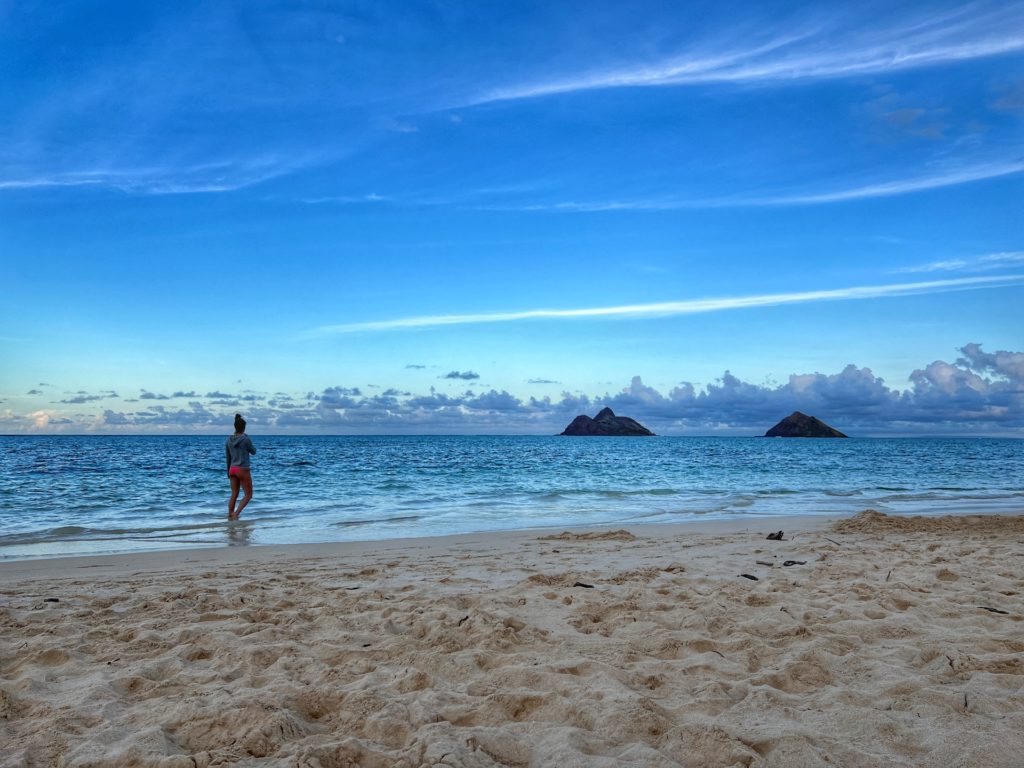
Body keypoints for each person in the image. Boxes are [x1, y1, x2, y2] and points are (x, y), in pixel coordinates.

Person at [226, 413, 256, 520]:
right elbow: (254, 451)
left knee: (234, 494)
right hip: (242, 469)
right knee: (248, 495)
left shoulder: (229, 440)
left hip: (232, 469)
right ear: (244, 428)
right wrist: (247, 438)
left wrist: (228, 472)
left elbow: (228, 457)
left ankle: (230, 514)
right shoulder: (245, 439)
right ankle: (236, 514)